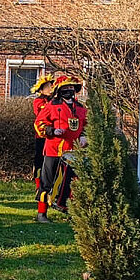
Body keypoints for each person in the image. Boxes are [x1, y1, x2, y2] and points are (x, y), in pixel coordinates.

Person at [34, 75, 87, 222]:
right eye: (66, 88)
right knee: (47, 181)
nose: (69, 91)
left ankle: (70, 211)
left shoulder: (81, 108)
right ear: (59, 90)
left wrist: (84, 136)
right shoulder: (51, 105)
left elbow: (87, 125)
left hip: (74, 151)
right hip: (54, 149)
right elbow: (39, 123)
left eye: (71, 88)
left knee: (74, 183)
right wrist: (51, 131)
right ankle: (41, 213)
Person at [30, 74, 56, 191]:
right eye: (48, 86)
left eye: (52, 86)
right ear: (41, 90)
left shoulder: (55, 100)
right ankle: (38, 185)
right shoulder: (38, 101)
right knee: (40, 160)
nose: (51, 88)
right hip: (42, 135)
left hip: (54, 135)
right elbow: (43, 112)